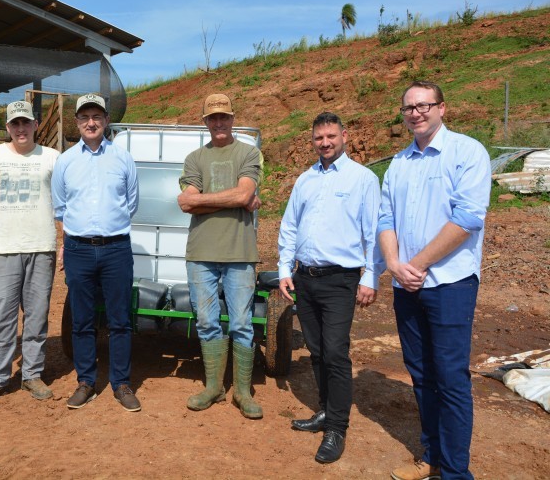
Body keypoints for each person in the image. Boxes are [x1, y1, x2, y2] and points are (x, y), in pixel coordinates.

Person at [379, 81, 490, 480]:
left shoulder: (466, 152)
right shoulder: (399, 163)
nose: (416, 113)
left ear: (443, 108)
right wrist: (393, 263)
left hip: (450, 284)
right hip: (406, 285)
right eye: (409, 107)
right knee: (422, 374)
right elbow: (385, 218)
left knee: (450, 377)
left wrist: (417, 264)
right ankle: (433, 456)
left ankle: (456, 472)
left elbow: (467, 219)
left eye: (424, 105)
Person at [277, 112, 381, 464]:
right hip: (305, 277)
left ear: (344, 136)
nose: (325, 143)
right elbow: (290, 225)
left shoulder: (362, 179)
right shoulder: (305, 179)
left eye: (331, 136)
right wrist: (283, 269)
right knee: (317, 350)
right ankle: (324, 411)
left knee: (336, 352)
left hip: (341, 279)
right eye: (319, 138)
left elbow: (373, 232)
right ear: (313, 140)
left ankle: (337, 427)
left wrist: (371, 276)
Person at [51, 93, 140, 411]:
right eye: (85, 117)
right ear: (77, 123)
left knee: (119, 320)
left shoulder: (123, 158)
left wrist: (107, 225)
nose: (91, 122)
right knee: (82, 320)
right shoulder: (65, 161)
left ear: (106, 121)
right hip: (79, 250)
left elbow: (131, 203)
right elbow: (60, 208)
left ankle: (121, 383)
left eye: (97, 117)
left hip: (116, 248)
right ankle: (86, 381)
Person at [177, 93, 263, 419]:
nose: (219, 123)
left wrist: (206, 200)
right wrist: (238, 200)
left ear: (232, 118)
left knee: (242, 323)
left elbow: (244, 192)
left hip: (240, 253)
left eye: (224, 116)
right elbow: (186, 203)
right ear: (206, 122)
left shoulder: (248, 153)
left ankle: (242, 392)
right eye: (212, 118)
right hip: (201, 252)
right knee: (206, 321)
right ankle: (213, 387)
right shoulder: (195, 158)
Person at [0, 100, 59, 406]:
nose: (20, 129)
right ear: (7, 128)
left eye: (26, 123)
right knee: (1, 316)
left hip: (42, 246)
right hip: (4, 248)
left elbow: (65, 203)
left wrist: (64, 242)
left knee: (37, 316)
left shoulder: (53, 158)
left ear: (36, 125)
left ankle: (32, 375)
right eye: (14, 124)